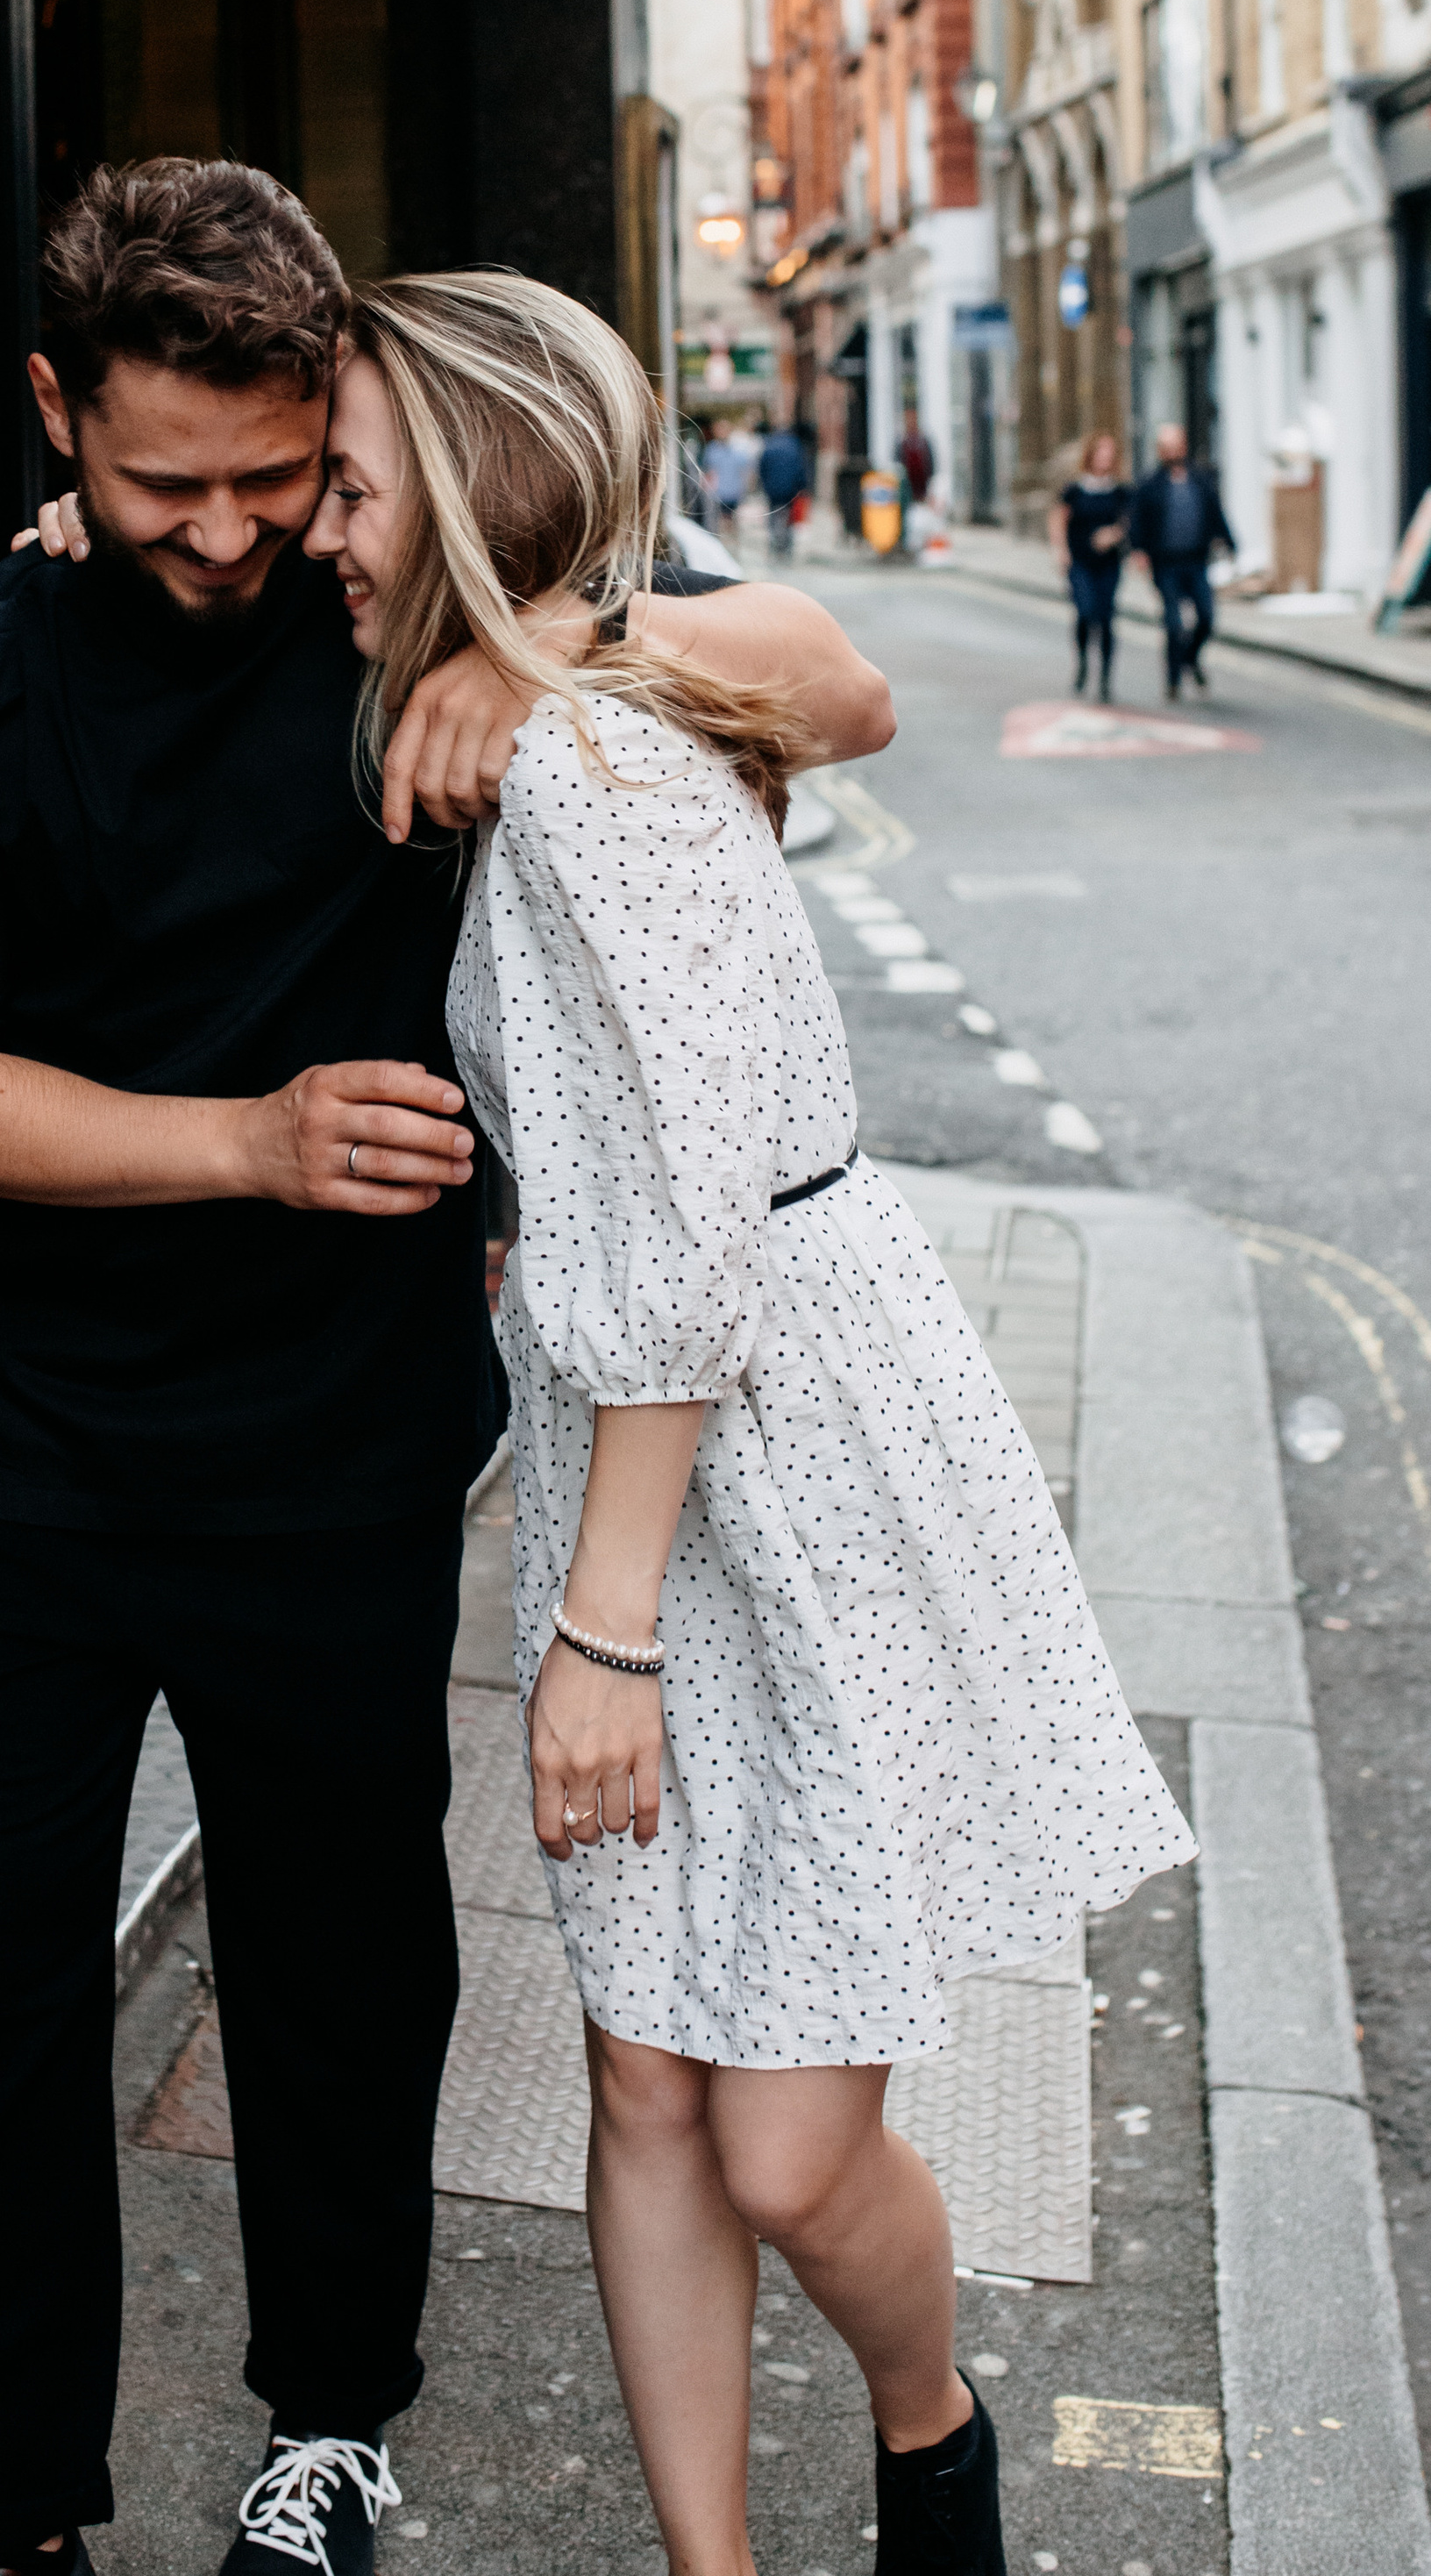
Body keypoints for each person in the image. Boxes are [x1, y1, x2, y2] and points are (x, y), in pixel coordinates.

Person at [0, 160, 894, 2576]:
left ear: (346, 423)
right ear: (53, 420)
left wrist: (549, 644)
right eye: (154, 486)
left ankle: (333, 2431)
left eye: (270, 476)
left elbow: (843, 683)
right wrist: (253, 1138)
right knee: (4, 2001)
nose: (220, 537)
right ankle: (15, 2516)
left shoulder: (404, 631)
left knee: (343, 1968)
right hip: (10, 1461)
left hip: (328, 1458)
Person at [306, 272, 1192, 2576]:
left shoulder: (586, 764)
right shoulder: (543, 727)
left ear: (472, 493)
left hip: (760, 1463)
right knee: (637, 2069)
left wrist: (597, 1636)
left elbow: (690, 1228)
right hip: (654, 1456)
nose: (319, 524)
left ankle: (933, 2439)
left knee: (787, 2140)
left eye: (351, 482)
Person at [1129, 422, 1235, 698]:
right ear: (1160, 450)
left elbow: (1215, 512)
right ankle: (1173, 679)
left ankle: (1190, 658)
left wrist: (1229, 542)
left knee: (1207, 617)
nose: (1173, 451)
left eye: (1177, 444)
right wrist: (1138, 550)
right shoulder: (1150, 484)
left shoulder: (1201, 479)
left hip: (1197, 561)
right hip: (1165, 564)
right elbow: (1137, 521)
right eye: (1167, 446)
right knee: (1174, 623)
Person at [1049, 428, 1128, 698]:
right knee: (1085, 612)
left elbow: (1130, 523)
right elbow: (1059, 519)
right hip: (1080, 561)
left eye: (1110, 454)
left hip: (1108, 564)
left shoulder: (1119, 491)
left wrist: (1113, 534)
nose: (1105, 459)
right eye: (1101, 453)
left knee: (1106, 618)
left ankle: (1105, 677)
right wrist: (1061, 551)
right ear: (1091, 456)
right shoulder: (1074, 490)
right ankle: (1083, 662)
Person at [757, 417, 806, 559]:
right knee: (788, 516)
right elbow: (800, 468)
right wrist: (802, 486)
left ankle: (774, 542)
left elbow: (762, 468)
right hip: (790, 489)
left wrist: (764, 485)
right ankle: (786, 546)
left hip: (772, 489)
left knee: (773, 514)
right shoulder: (794, 445)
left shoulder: (769, 445)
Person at [896, 407, 936, 507]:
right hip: (907, 488)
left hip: (922, 489)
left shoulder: (924, 442)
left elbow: (930, 464)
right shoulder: (902, 443)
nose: (911, 422)